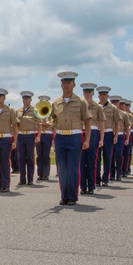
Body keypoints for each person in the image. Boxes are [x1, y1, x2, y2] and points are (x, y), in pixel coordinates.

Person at [51, 72, 90, 206]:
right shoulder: (56, 103)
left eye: (68, 82)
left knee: (73, 168)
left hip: (75, 136)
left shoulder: (81, 102)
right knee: (62, 169)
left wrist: (87, 140)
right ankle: (64, 196)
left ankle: (72, 196)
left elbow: (88, 122)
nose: (66, 85)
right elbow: (53, 122)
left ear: (74, 84)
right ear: (61, 84)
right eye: (64, 82)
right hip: (60, 137)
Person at [78, 83, 104, 195]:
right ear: (83, 93)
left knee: (91, 160)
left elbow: (102, 124)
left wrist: (101, 138)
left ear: (93, 93)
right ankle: (83, 186)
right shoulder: (78, 105)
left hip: (93, 132)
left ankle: (91, 186)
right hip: (81, 132)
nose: (87, 94)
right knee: (81, 161)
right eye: (85, 92)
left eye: (89, 92)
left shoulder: (98, 107)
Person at [16, 91, 41, 186]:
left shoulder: (34, 110)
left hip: (30, 135)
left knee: (30, 157)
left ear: (30, 99)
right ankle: (22, 179)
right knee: (21, 158)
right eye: (24, 98)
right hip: (21, 135)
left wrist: (38, 136)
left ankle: (30, 179)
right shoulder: (18, 111)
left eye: (27, 98)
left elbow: (39, 124)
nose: (25, 100)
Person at [97, 87, 119, 186]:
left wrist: (116, 135)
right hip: (97, 133)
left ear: (108, 96)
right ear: (98, 96)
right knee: (96, 158)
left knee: (107, 157)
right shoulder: (95, 107)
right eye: (101, 95)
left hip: (108, 133)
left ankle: (105, 178)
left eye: (104, 95)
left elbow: (117, 122)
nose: (102, 97)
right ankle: (97, 179)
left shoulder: (113, 108)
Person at [35, 96, 53, 181]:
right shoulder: (37, 112)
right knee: (39, 155)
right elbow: (36, 122)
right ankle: (40, 173)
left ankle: (46, 173)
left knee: (46, 155)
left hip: (47, 134)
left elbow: (53, 122)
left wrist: (49, 123)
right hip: (39, 134)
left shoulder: (50, 111)